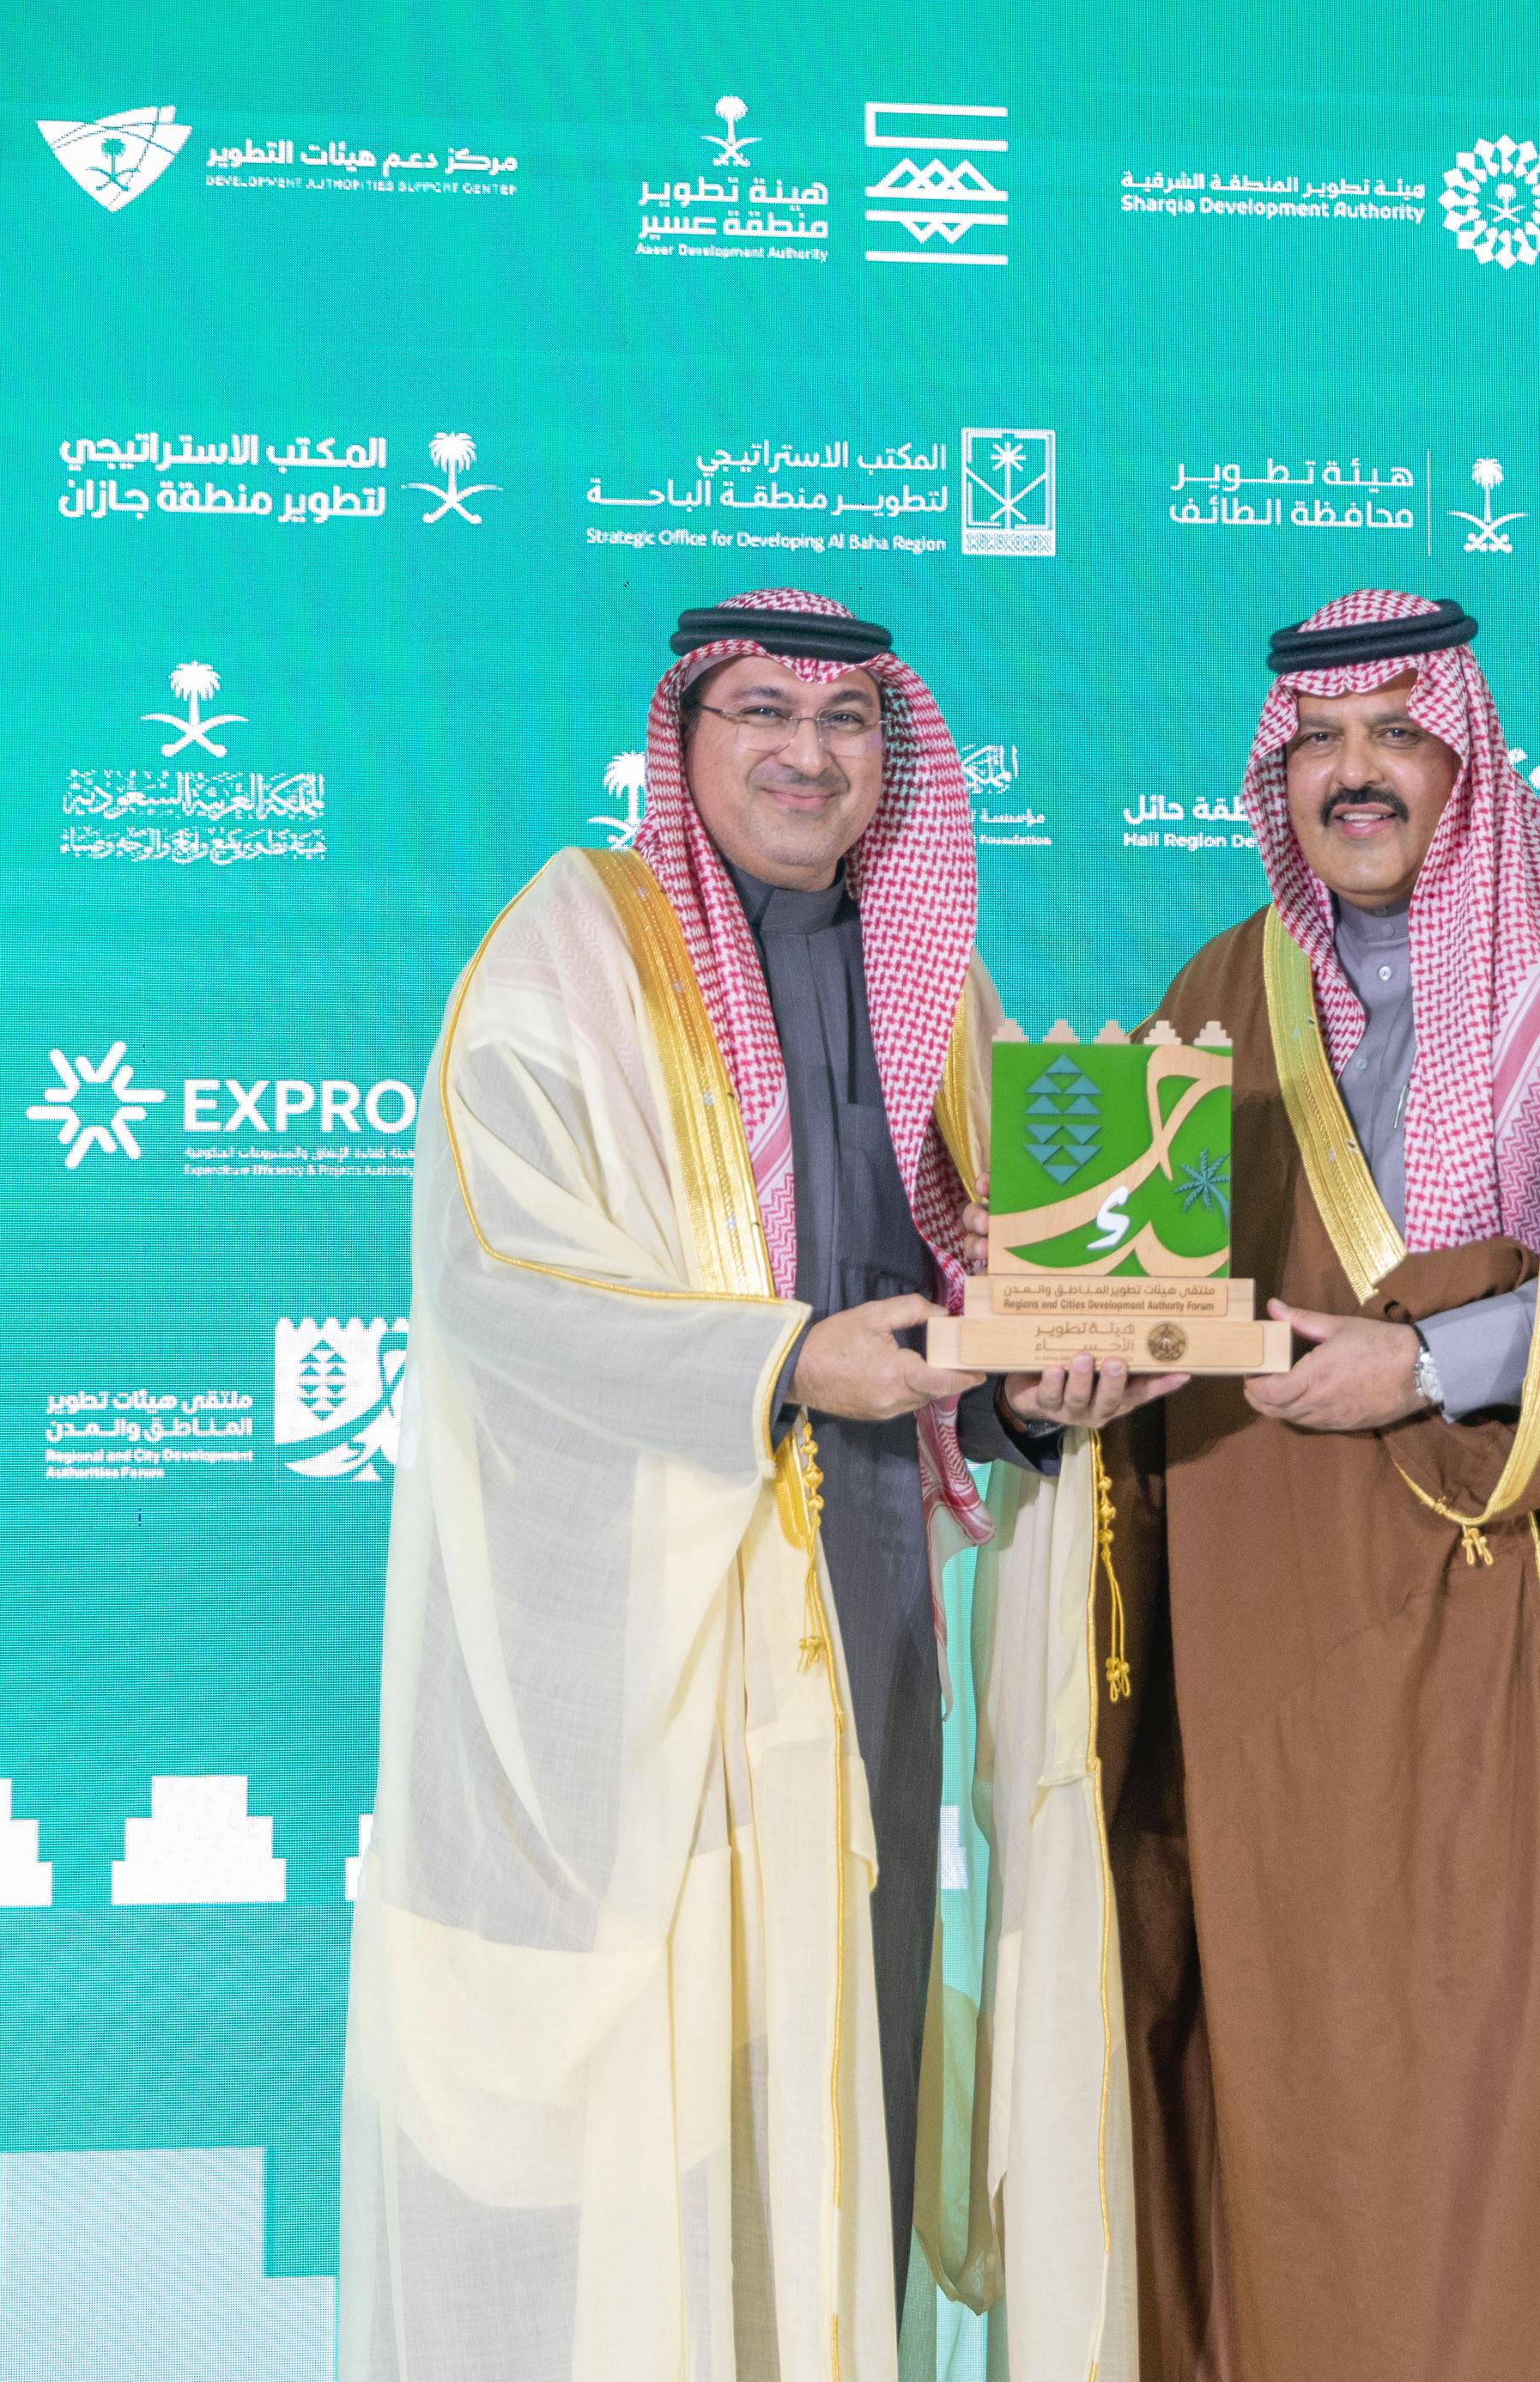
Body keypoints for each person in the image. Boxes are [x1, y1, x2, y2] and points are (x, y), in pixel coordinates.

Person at [340, 590, 1165, 2380]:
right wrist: (782, 1362)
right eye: (763, 712)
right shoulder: (572, 949)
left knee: (855, 2052)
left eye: (847, 718)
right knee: (662, 2122)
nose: (809, 752)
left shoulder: (938, 984)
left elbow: (964, 1318)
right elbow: (503, 1285)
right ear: (685, 738)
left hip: (871, 1613)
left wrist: (1038, 1396)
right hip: (649, 1650)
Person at [1094, 589, 1540, 2381]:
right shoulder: (1213, 1000)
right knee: (1303, 2099)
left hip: (1524, 1658)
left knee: (1516, 2102)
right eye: (1316, 742)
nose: (1354, 772)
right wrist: (1059, 1371)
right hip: (1275, 1676)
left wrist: (1420, 1363)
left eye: (1395, 732)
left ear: (1466, 753)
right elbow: (1126, 1309)